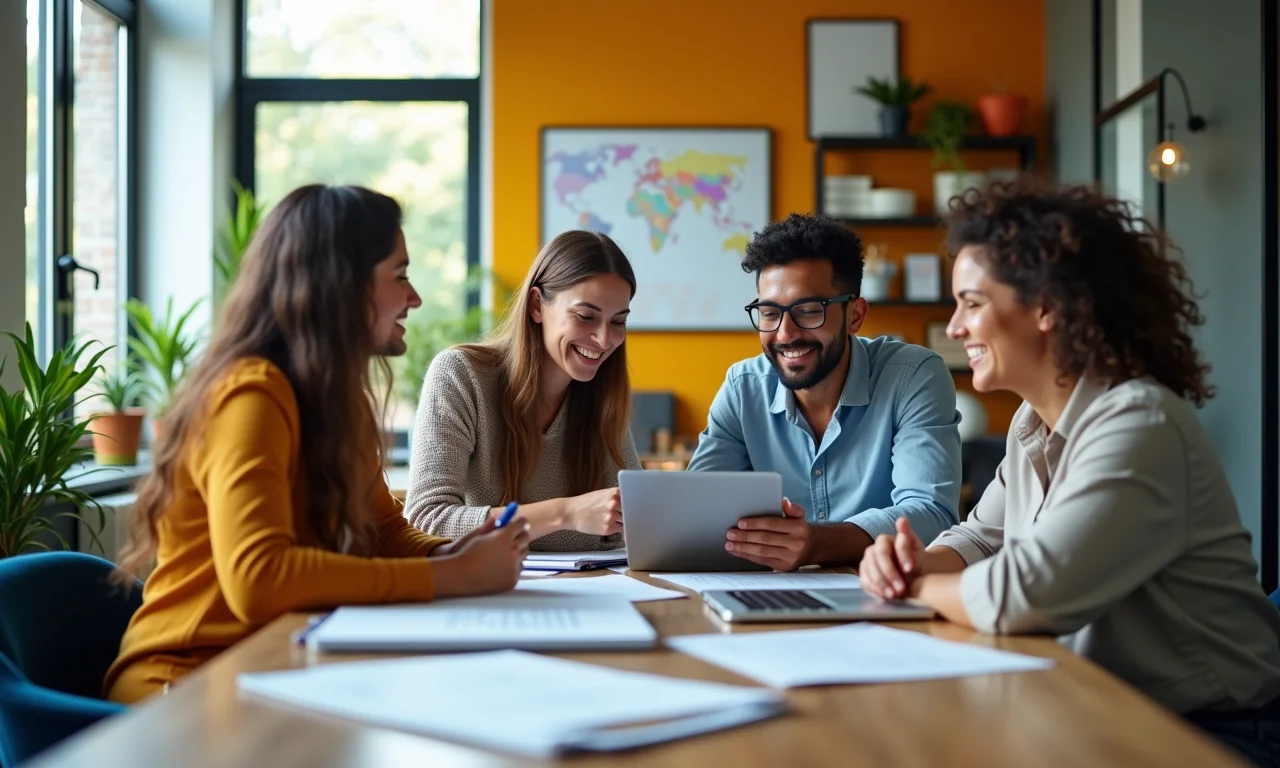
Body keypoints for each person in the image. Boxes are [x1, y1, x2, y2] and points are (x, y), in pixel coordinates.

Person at [859, 179, 1280, 766]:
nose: (954, 327)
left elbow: (1025, 595)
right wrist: (912, 561)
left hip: (1213, 731)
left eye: (972, 303)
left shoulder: (1140, 423)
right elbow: (981, 537)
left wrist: (913, 589)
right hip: (1101, 704)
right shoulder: (1032, 421)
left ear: (1046, 306)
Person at [105, 185, 530, 704]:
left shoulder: (337, 399)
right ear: (342, 286)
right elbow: (258, 579)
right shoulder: (251, 395)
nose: (415, 298)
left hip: (281, 661)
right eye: (399, 275)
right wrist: (447, 575)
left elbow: (382, 531)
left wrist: (454, 550)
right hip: (186, 682)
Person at [688, 213, 962, 572]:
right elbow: (695, 511)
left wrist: (817, 544)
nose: (785, 334)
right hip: (769, 593)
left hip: (882, 593)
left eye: (808, 311)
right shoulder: (743, 388)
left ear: (855, 315)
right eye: (769, 313)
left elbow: (932, 514)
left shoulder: (913, 376)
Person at [403, 230, 641, 551]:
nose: (603, 339)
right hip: (491, 584)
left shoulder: (604, 397)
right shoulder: (461, 375)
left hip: (594, 582)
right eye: (586, 317)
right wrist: (565, 513)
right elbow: (425, 519)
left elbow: (634, 524)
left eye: (618, 322)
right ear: (536, 306)